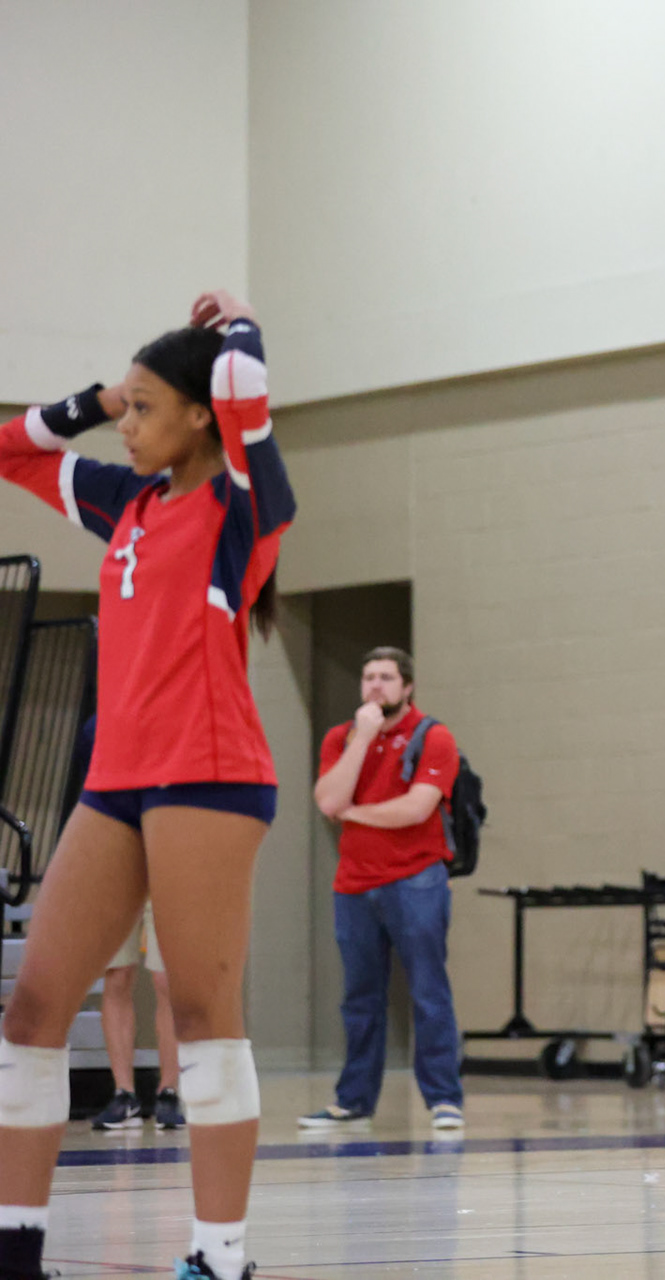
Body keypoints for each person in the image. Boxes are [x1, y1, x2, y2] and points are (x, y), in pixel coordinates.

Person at [0, 290, 294, 1280]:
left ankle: (220, 1257)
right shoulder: (125, 499)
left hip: (210, 775)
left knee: (207, 1013)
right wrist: (94, 394)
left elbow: (248, 388)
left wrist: (238, 327)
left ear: (202, 413)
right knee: (33, 1011)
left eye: (143, 407)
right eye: (123, 408)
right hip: (116, 779)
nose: (126, 424)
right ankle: (16, 1246)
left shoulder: (244, 503)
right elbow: (10, 448)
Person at [305, 647, 464, 1131]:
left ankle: (443, 1099)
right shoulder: (342, 737)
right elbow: (328, 798)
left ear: (407, 686)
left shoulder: (433, 737)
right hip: (354, 884)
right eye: (369, 676)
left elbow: (415, 810)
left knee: (428, 991)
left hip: (417, 878)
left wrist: (351, 814)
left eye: (387, 677)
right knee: (359, 997)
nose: (376, 686)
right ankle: (353, 1100)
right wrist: (365, 735)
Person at [88, 902, 184, 1132]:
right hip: (118, 875)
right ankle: (124, 1094)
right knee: (117, 976)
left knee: (166, 980)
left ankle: (168, 1092)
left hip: (164, 875)